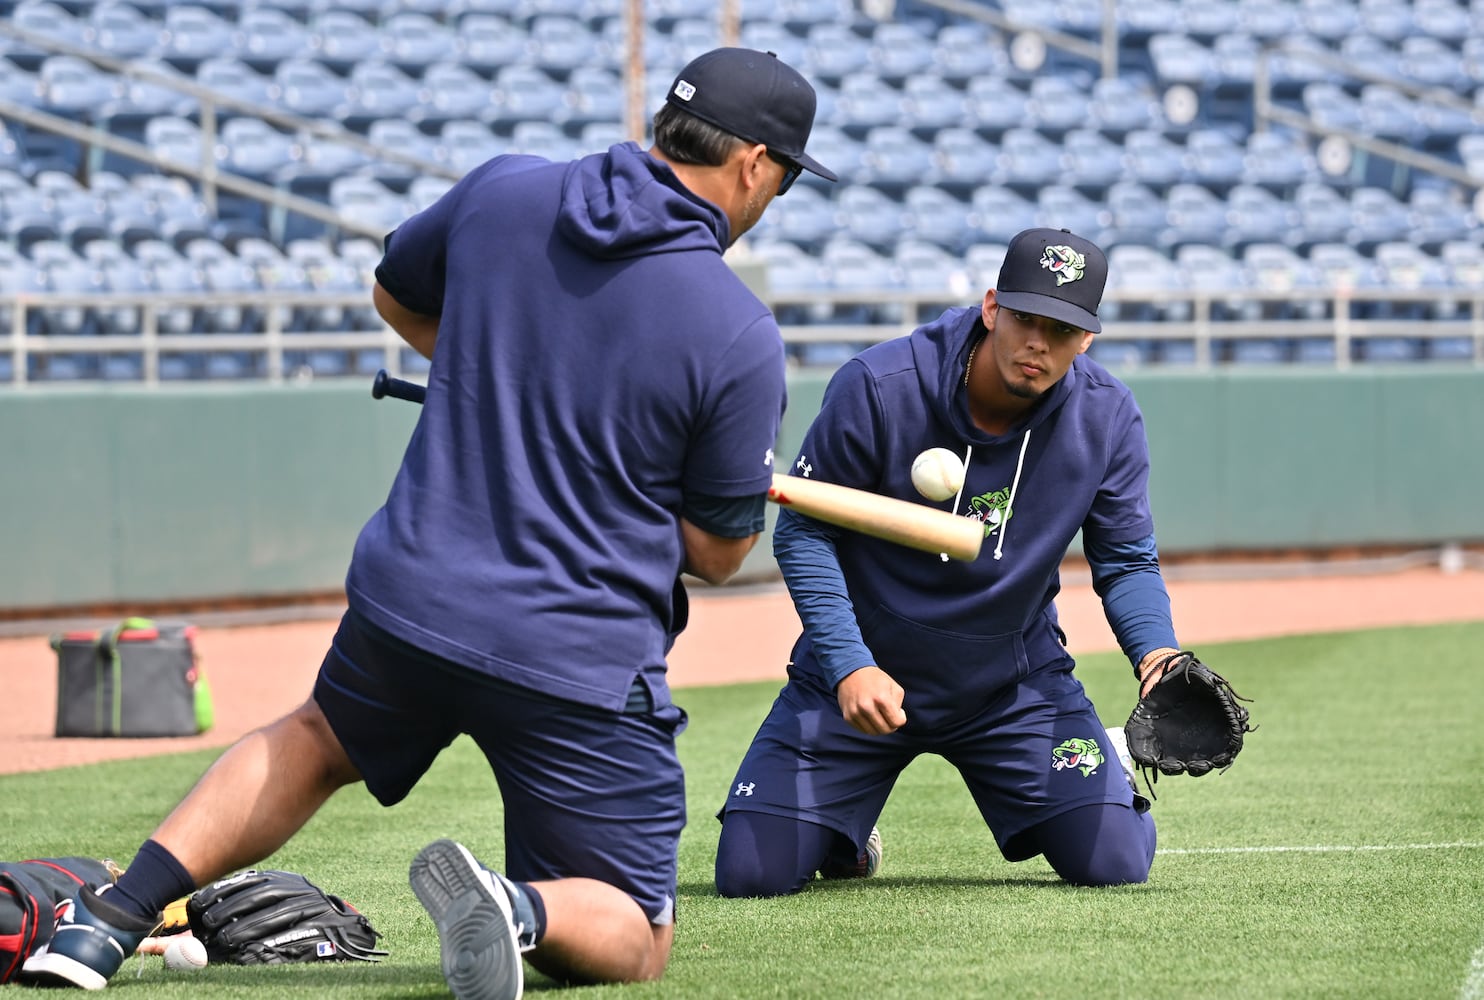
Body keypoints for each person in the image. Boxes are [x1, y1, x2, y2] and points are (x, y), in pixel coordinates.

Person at [23, 48, 835, 999]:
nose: (772, 198)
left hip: (414, 598)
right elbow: (715, 550)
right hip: (573, 650)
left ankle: (106, 921)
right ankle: (513, 906)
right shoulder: (739, 334)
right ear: (753, 164)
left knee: (316, 740)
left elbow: (395, 294)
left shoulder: (505, 193)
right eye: (781, 179)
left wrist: (506, 379)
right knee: (636, 933)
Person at [715, 228, 1184, 898]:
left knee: (1113, 860)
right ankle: (843, 836)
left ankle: (1099, 762)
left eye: (1062, 330)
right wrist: (848, 664)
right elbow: (804, 534)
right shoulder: (880, 387)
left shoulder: (1106, 418)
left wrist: (1156, 656)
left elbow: (1126, 559)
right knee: (750, 874)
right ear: (992, 306)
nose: (1037, 344)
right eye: (1026, 319)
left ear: (1088, 339)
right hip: (863, 675)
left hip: (1010, 687)